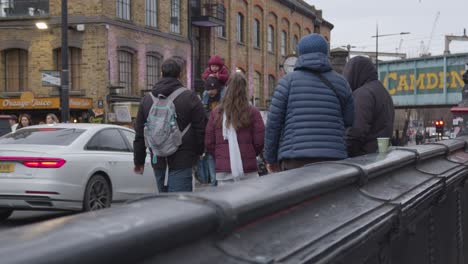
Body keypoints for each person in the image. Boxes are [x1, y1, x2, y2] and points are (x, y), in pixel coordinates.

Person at [264, 33, 354, 172]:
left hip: (295, 159)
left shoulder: (287, 83)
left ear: (300, 54)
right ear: (325, 53)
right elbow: (349, 120)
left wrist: (270, 159)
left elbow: (273, 124)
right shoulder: (341, 82)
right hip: (333, 159)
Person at [133, 58, 206, 193]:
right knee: (179, 206)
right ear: (179, 75)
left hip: (158, 159)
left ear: (161, 74)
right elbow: (201, 128)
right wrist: (198, 153)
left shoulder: (147, 99)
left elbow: (139, 133)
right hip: (182, 159)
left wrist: (139, 161)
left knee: (163, 205)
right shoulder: (190, 97)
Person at [205, 72, 265, 185]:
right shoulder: (253, 112)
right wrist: (250, 154)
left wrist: (220, 155)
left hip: (224, 171)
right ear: (245, 89)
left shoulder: (216, 112)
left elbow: (209, 142)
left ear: (227, 88)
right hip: (248, 170)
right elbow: (259, 141)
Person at [343, 56, 395, 157]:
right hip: (380, 155)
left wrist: (345, 152)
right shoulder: (384, 92)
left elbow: (356, 132)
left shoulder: (362, 94)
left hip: (364, 158)